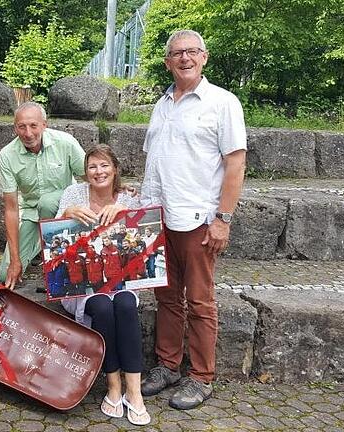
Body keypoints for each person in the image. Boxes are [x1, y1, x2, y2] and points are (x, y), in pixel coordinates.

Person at [139, 29, 247, 410]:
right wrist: (143, 214)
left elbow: (235, 164)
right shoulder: (161, 104)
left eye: (191, 52)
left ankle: (201, 377)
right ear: (167, 62)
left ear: (204, 57)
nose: (184, 58)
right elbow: (154, 163)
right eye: (176, 53)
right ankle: (168, 365)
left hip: (198, 218)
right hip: (159, 217)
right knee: (166, 298)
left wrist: (223, 218)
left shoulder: (223, 102)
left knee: (200, 301)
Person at [56, 145, 149, 426]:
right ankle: (113, 386)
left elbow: (147, 240)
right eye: (93, 167)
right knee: (101, 306)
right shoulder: (72, 195)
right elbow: (52, 242)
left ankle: (134, 391)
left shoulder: (130, 198)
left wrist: (127, 215)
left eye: (104, 165)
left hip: (121, 279)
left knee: (124, 303)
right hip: (81, 284)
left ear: (115, 169)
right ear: (85, 172)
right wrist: (66, 215)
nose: (99, 172)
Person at [0, 102, 85, 289]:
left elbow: (92, 177)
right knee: (6, 274)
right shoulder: (7, 155)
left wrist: (118, 189)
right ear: (15, 127)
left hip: (67, 209)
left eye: (33, 126)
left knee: (47, 202)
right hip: (31, 211)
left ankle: (52, 259)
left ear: (44, 125)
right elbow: (11, 209)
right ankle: (40, 242)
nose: (28, 133)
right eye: (22, 127)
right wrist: (15, 260)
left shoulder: (65, 142)